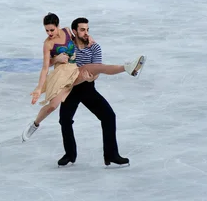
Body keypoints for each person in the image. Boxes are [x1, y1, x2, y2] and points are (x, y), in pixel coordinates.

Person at [21, 12, 145, 147]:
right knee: (52, 106)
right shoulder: (47, 44)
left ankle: (128, 68)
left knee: (96, 67)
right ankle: (35, 124)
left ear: (58, 26)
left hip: (75, 71)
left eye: (52, 29)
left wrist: (89, 37)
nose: (49, 33)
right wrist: (40, 87)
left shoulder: (67, 31)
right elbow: (45, 67)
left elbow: (81, 38)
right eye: (47, 30)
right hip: (61, 76)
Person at [52, 17, 138, 167]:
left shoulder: (95, 47)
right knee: (64, 120)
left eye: (87, 30)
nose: (86, 33)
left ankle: (111, 155)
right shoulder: (68, 46)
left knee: (109, 116)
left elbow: (98, 70)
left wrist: (91, 79)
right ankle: (70, 155)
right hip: (70, 89)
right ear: (75, 31)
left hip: (87, 87)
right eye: (82, 30)